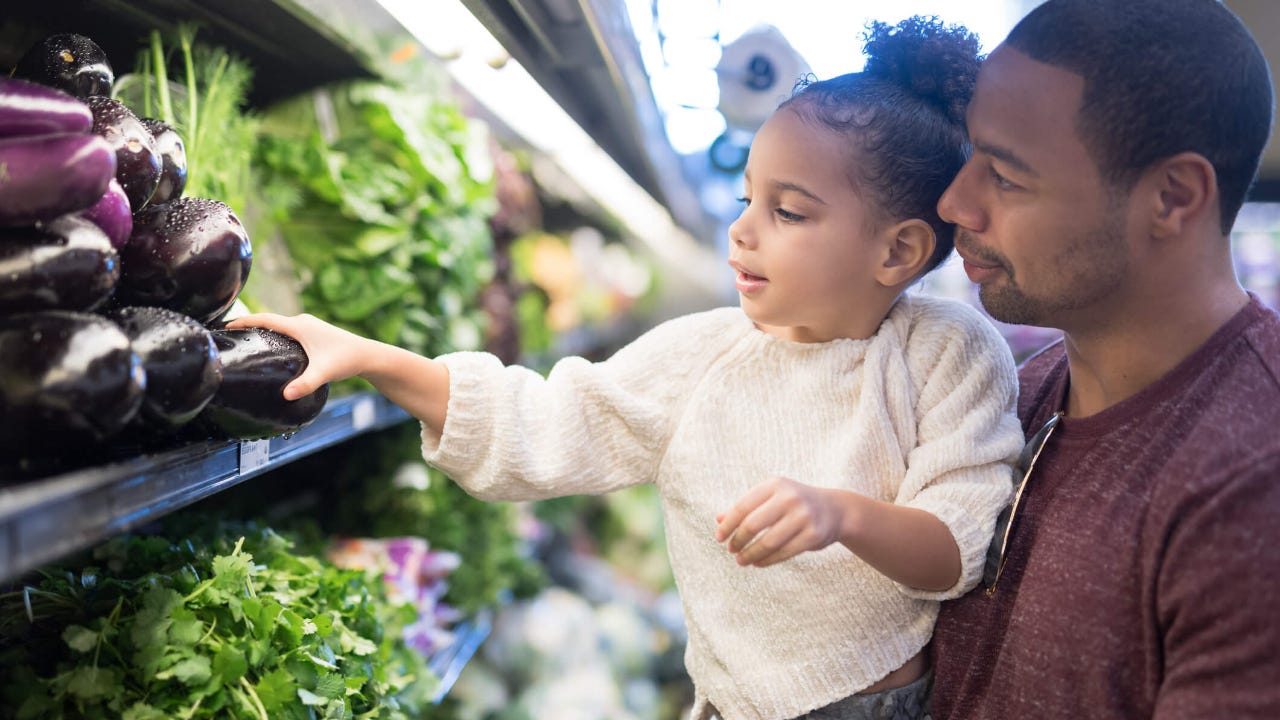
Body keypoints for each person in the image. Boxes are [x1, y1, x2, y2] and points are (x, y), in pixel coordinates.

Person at [231, 17, 1023, 720]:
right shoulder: (702, 356)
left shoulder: (949, 351)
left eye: (787, 212)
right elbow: (533, 420)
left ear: (899, 251)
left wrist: (840, 514)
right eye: (747, 198)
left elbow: (958, 549)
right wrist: (371, 356)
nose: (742, 232)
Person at [928, 0, 1280, 718]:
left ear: (1171, 198)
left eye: (1005, 174)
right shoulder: (1014, 394)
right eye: (971, 154)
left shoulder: (1253, 478)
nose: (954, 202)